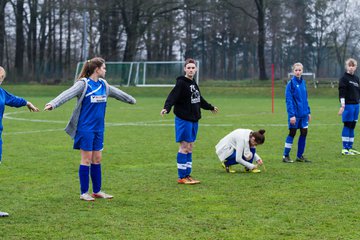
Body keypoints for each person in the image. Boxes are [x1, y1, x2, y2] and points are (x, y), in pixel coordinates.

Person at [44, 57, 136, 201]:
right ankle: (84, 193)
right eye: (104, 68)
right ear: (96, 69)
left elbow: (118, 93)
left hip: (99, 129)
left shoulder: (103, 85)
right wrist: (53, 104)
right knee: (86, 160)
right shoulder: (84, 84)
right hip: (85, 128)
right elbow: (67, 94)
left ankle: (97, 191)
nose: (105, 70)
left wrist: (130, 99)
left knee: (97, 159)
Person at [160, 58, 218, 185]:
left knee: (190, 147)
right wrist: (166, 108)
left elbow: (199, 99)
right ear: (185, 69)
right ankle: (182, 176)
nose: (191, 70)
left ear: (196, 69)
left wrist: (210, 107)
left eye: (193, 68)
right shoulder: (181, 83)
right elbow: (172, 96)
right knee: (184, 146)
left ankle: (188, 174)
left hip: (194, 119)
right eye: (189, 68)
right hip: (183, 119)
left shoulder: (193, 83)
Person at [0, 66, 39, 217]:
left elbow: (13, 99)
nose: (0, 79)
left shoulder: (1, 92)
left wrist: (27, 103)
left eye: (2, 77)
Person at [282, 62, 311, 163]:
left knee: (304, 133)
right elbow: (288, 101)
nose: (298, 72)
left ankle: (300, 156)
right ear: (293, 71)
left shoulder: (303, 83)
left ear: (302, 71)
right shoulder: (290, 84)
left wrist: (309, 112)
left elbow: (305, 99)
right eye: (296, 70)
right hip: (295, 115)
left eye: (299, 70)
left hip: (304, 115)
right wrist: (292, 115)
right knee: (292, 133)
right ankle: (285, 156)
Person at [338, 58, 360, 155]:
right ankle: (345, 148)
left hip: (356, 105)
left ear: (355, 67)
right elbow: (341, 92)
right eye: (349, 65)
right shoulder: (344, 79)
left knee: (353, 126)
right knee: (347, 125)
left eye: (353, 66)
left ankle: (350, 148)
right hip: (348, 105)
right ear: (347, 66)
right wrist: (342, 105)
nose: (351, 67)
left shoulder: (356, 78)